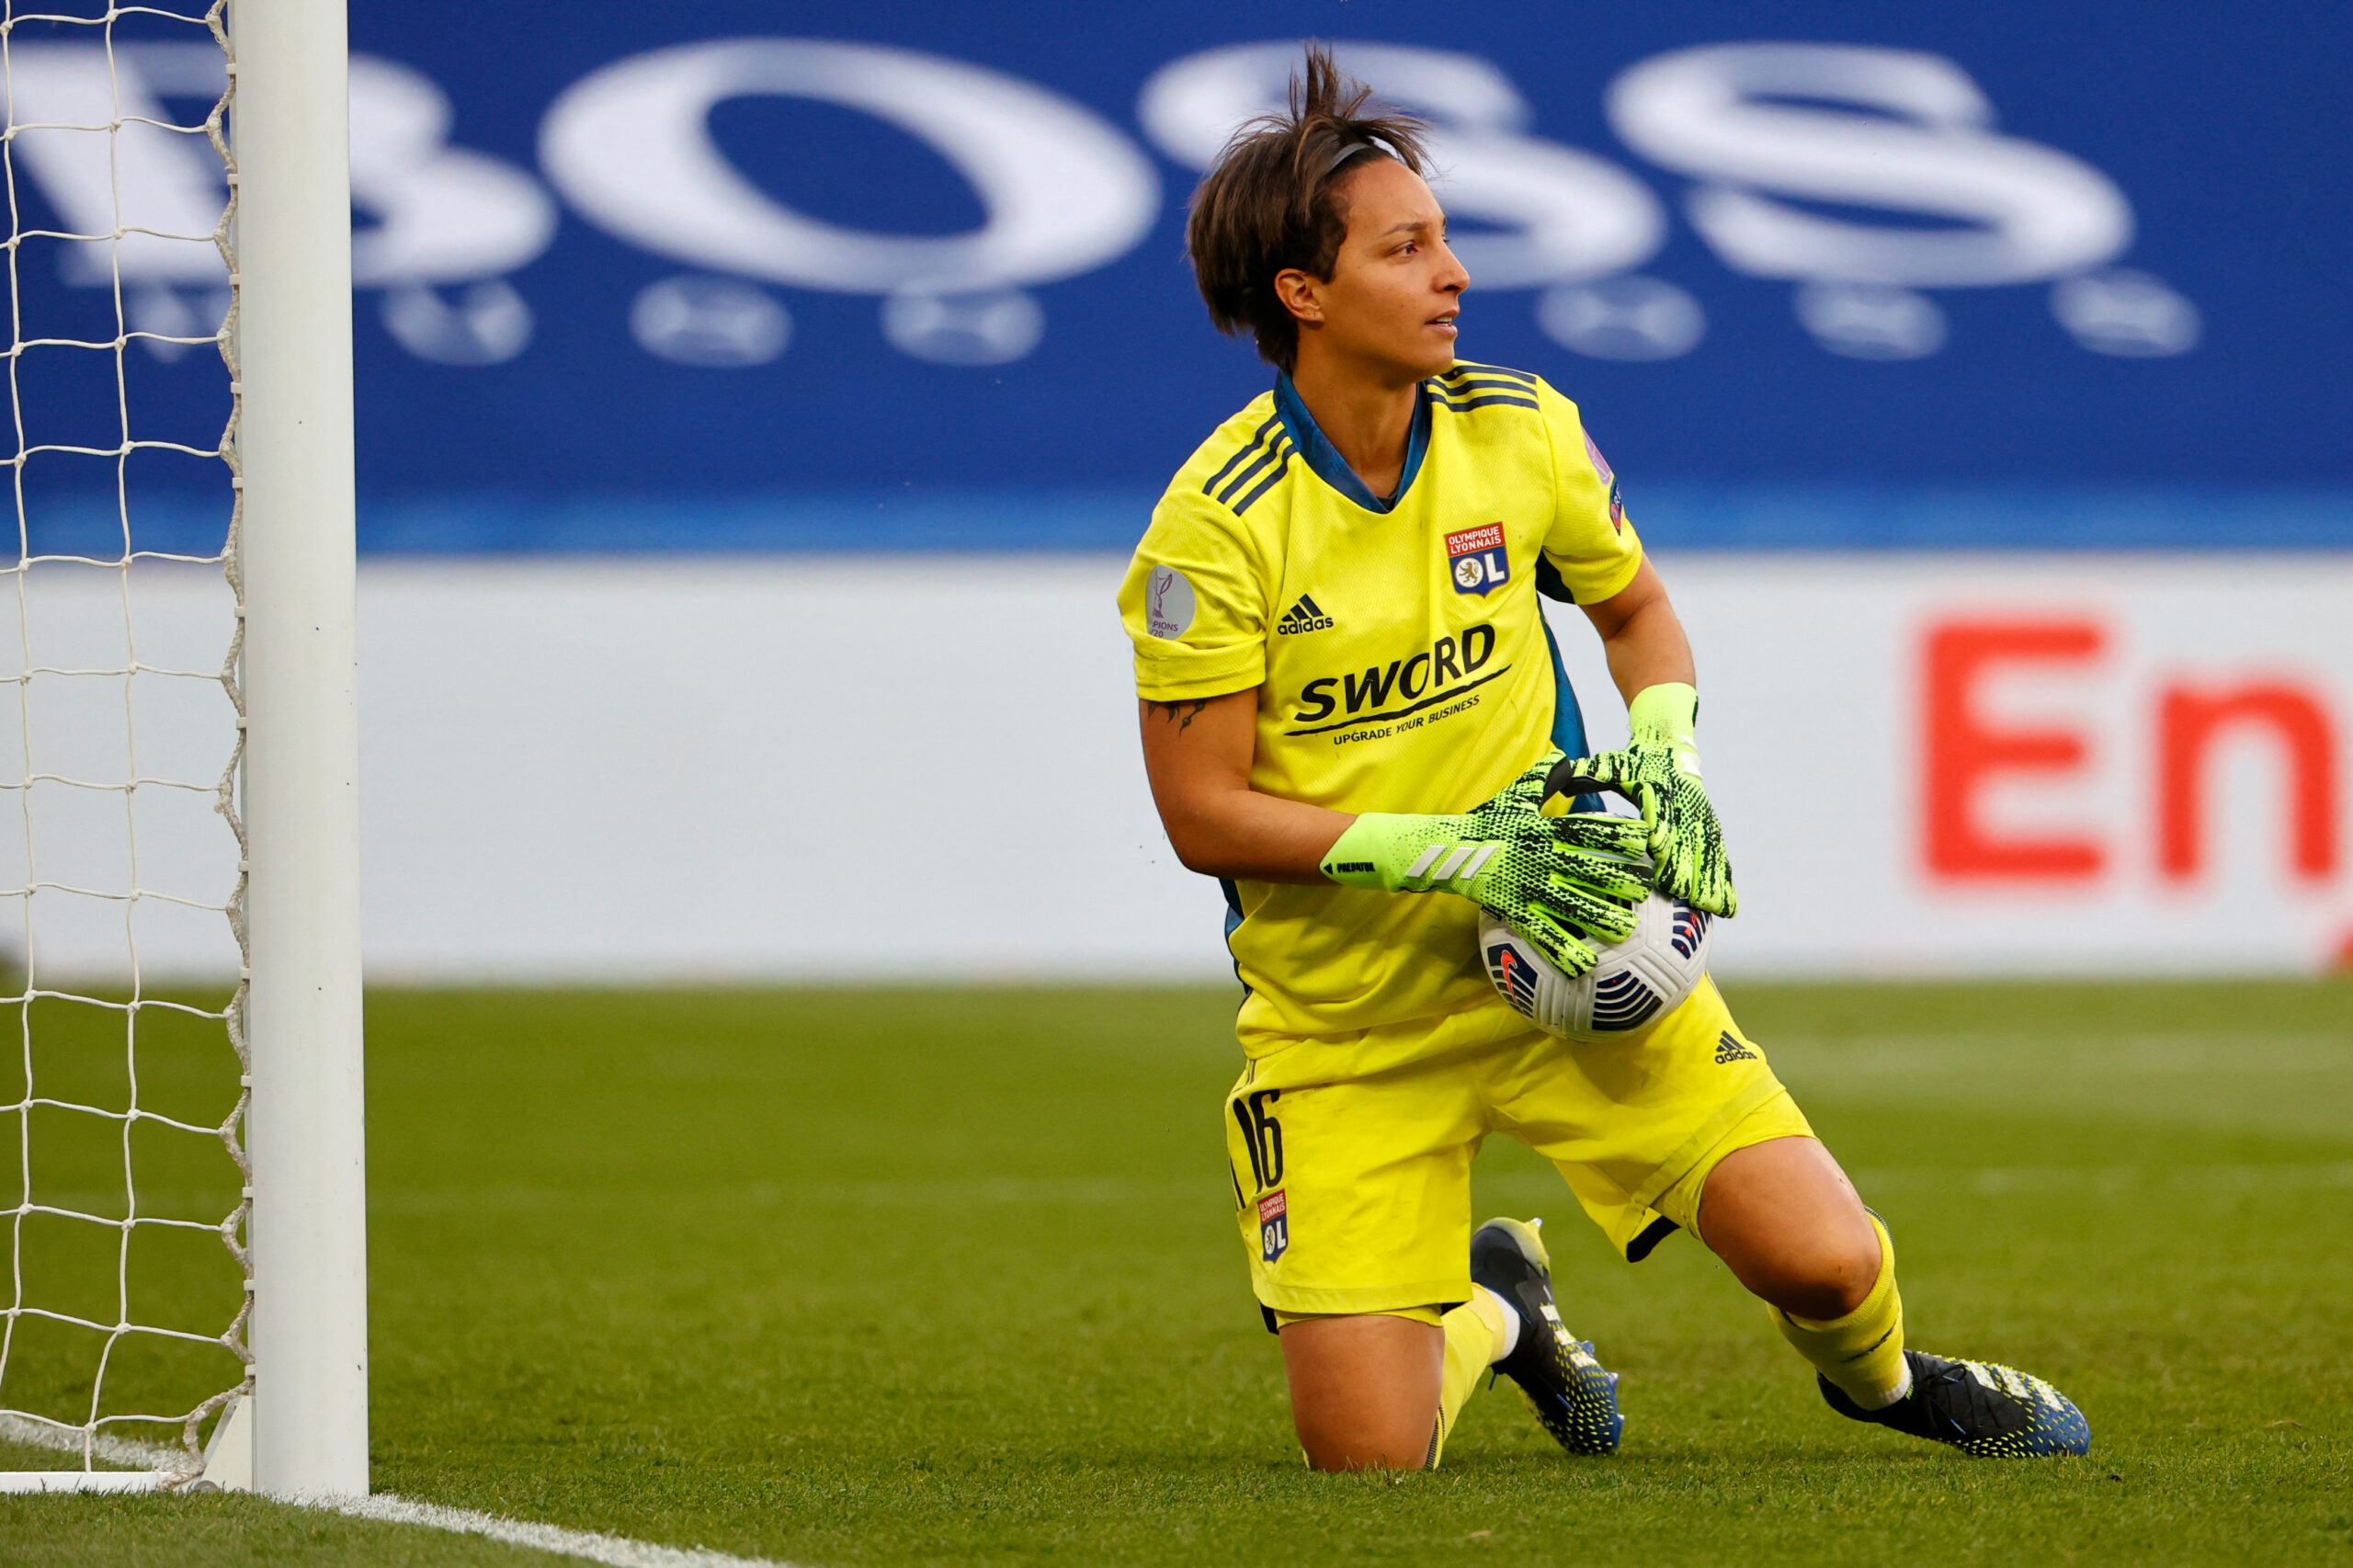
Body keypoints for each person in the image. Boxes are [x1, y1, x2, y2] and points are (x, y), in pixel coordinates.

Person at [1116, 46, 2088, 1471]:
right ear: (1304, 295)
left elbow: (1634, 609)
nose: (1454, 273)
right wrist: (1450, 848)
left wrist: (1667, 759)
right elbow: (1201, 811)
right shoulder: (1215, 530)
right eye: (1408, 249)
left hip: (1576, 944)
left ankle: (1888, 1385)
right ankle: (1501, 1314)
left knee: (1824, 1265)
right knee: (1367, 1462)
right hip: (1350, 1027)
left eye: (1444, 238)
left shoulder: (1519, 432)